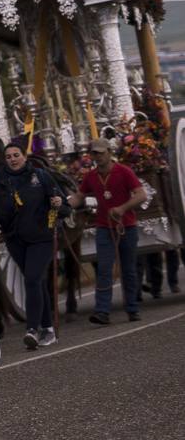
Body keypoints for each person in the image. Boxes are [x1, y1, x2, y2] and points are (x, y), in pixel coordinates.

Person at [0, 141, 68, 349]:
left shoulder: (42, 177)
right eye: (8, 156)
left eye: (16, 155)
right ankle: (48, 329)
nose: (12, 159)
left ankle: (32, 329)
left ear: (24, 156)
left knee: (32, 279)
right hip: (15, 240)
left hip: (41, 238)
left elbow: (65, 208)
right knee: (35, 282)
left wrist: (59, 204)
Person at [67, 137, 148, 324]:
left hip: (126, 226)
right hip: (103, 227)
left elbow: (141, 195)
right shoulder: (91, 176)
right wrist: (64, 204)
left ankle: (132, 309)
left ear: (109, 153)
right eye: (94, 153)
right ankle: (102, 311)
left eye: (101, 153)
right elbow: (79, 196)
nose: (98, 157)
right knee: (104, 269)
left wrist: (122, 209)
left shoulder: (124, 172)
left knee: (128, 270)